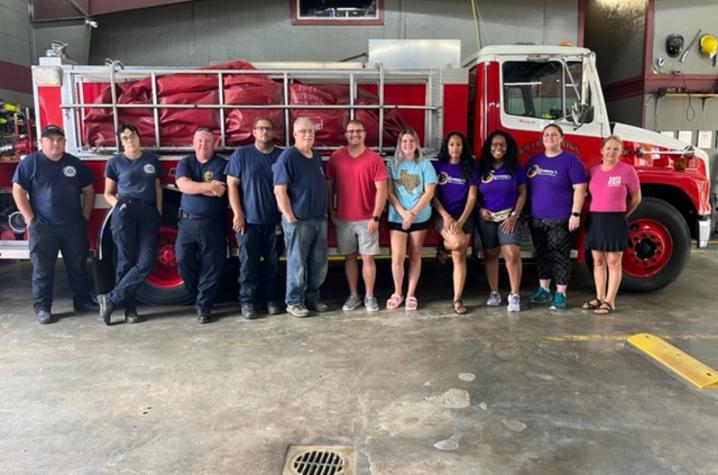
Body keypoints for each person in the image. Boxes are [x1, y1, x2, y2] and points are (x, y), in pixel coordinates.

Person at [11, 124, 99, 324]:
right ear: (41, 142)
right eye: (50, 139)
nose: (56, 143)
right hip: (43, 227)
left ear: (65, 143)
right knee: (43, 269)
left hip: (73, 226)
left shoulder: (74, 163)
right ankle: (42, 307)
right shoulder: (30, 163)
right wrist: (30, 219)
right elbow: (18, 190)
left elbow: (89, 190)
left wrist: (84, 217)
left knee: (77, 266)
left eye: (60, 139)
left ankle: (83, 301)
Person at [99, 123, 163, 325]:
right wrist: (119, 206)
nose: (129, 140)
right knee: (125, 262)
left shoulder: (151, 159)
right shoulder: (115, 162)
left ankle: (110, 299)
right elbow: (108, 193)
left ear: (139, 137)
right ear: (120, 141)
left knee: (146, 262)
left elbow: (158, 188)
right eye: (125, 137)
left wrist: (158, 211)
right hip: (125, 212)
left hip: (148, 212)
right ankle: (129, 308)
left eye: (132, 135)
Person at [327, 119, 388, 313]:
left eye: (358, 131)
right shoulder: (336, 157)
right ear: (346, 135)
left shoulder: (374, 159)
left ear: (364, 134)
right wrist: (331, 209)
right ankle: (354, 296)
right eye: (351, 131)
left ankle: (369, 297)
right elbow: (329, 184)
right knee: (349, 258)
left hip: (367, 219)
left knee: (368, 259)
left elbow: (382, 190)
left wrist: (376, 217)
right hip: (344, 219)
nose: (354, 135)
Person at [525, 123, 587, 310]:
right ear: (542, 139)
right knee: (541, 255)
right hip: (536, 218)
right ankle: (544, 290)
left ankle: (560, 293)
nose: (550, 138)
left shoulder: (571, 161)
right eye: (546, 135)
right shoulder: (534, 160)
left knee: (559, 256)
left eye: (554, 135)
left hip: (560, 219)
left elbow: (580, 188)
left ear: (562, 138)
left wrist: (575, 214)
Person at [227, 117, 284, 319]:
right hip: (248, 222)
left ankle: (271, 300)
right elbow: (232, 185)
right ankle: (247, 302)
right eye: (260, 128)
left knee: (273, 264)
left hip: (274, 222)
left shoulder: (281, 155)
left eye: (268, 128)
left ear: (273, 132)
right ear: (253, 131)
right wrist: (238, 214)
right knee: (248, 264)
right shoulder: (241, 154)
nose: (264, 132)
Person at [273, 117, 329, 318]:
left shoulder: (316, 156)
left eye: (311, 132)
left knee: (318, 262)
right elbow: (280, 190)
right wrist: (289, 216)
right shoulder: (288, 157)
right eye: (303, 131)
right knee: (297, 263)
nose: (308, 135)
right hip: (299, 221)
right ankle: (294, 302)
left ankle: (312, 297)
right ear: (294, 134)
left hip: (319, 220)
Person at [583, 135, 641, 315]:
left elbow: (636, 198)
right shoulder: (593, 171)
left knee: (613, 262)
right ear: (602, 150)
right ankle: (599, 297)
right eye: (608, 148)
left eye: (616, 149)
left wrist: (622, 213)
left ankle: (610, 301)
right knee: (598, 261)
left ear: (621, 152)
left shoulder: (627, 171)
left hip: (615, 219)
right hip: (596, 219)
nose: (611, 152)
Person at [174, 127, 228, 324]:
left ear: (214, 143)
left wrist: (194, 186)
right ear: (193, 143)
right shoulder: (185, 162)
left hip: (212, 224)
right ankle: (197, 294)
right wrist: (207, 187)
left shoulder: (221, 164)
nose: (203, 144)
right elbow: (183, 185)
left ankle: (204, 307)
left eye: (207, 141)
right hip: (187, 223)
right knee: (182, 260)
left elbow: (219, 190)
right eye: (200, 141)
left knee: (211, 266)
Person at [386, 128, 437, 311]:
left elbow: (429, 192)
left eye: (411, 141)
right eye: (404, 141)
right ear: (400, 144)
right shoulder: (392, 164)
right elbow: (389, 192)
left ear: (416, 144)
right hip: (397, 217)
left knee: (415, 255)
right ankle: (398, 292)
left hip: (419, 217)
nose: (407, 144)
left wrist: (413, 213)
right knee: (397, 258)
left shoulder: (424, 164)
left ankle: (410, 294)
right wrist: (403, 213)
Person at [477, 130, 527, 312]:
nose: (498, 148)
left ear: (507, 148)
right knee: (490, 255)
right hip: (487, 218)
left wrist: (514, 215)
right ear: (489, 147)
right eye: (494, 145)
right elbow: (473, 193)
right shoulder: (480, 168)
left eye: (502, 145)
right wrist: (480, 209)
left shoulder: (515, 168)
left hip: (508, 218)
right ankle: (494, 292)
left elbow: (522, 193)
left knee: (512, 254)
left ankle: (514, 295)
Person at [431, 131, 478, 314]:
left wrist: (461, 221)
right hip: (442, 213)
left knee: (459, 253)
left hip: (464, 215)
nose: (455, 148)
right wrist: (446, 217)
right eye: (451, 144)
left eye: (458, 144)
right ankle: (444, 244)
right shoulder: (438, 166)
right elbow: (433, 198)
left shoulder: (471, 167)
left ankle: (457, 299)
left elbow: (472, 197)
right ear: (446, 147)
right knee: (458, 243)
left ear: (463, 147)